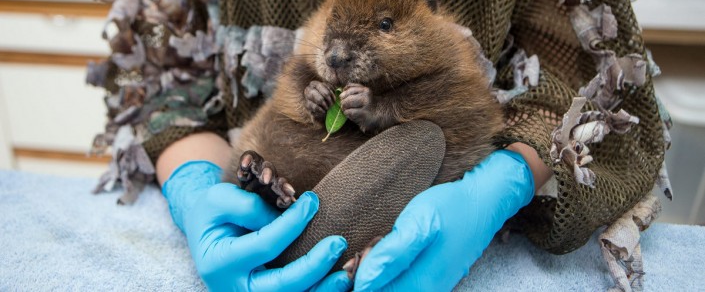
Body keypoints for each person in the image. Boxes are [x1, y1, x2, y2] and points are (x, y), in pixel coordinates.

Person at [90, 0, 667, 291]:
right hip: (264, 178)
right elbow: (159, 70)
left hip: (438, 193)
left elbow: (594, 75)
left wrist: (506, 181)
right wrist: (194, 183)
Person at [157, 132, 552, 291]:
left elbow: (574, 74)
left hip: (447, 155)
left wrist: (508, 178)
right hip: (268, 147)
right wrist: (194, 185)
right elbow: (167, 87)